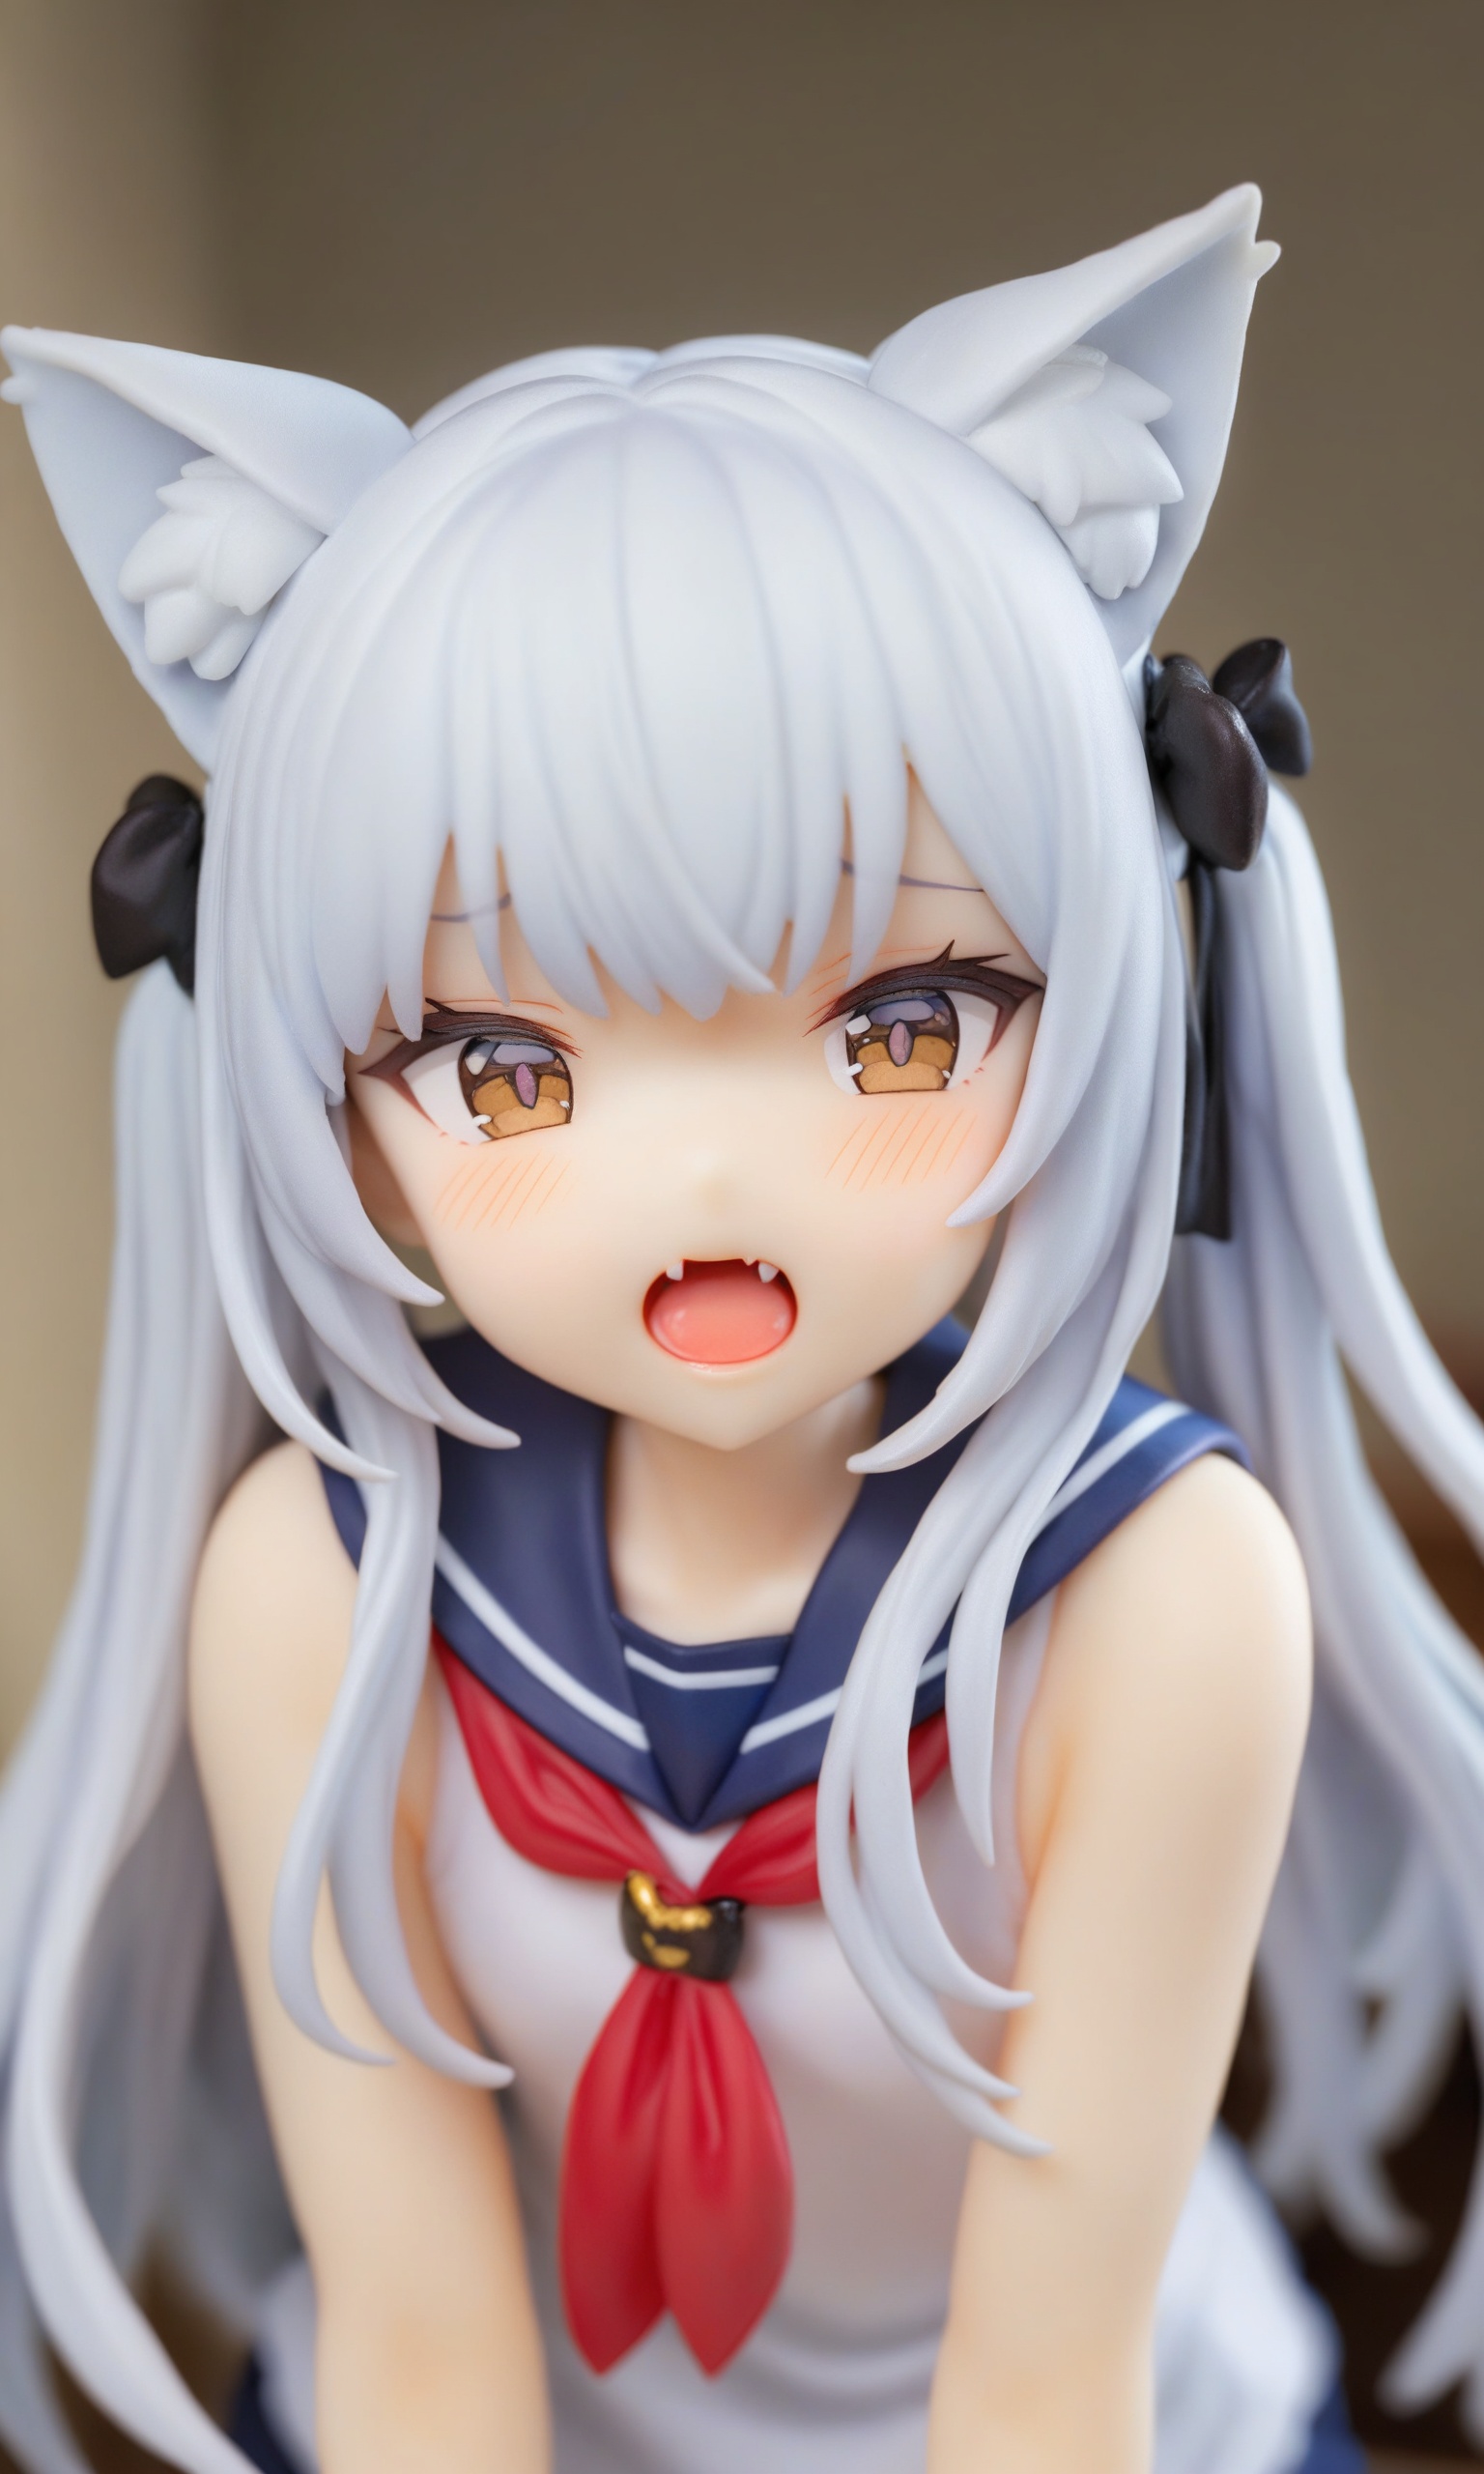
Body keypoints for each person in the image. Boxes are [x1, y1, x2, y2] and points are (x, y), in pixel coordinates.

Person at [0, 185, 1478, 2474]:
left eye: (901, 1025)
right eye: (508, 1066)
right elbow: (420, 2349)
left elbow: (1042, 2393)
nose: (706, 1179)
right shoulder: (328, 1581)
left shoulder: (1160, 1597)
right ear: (340, 1115)